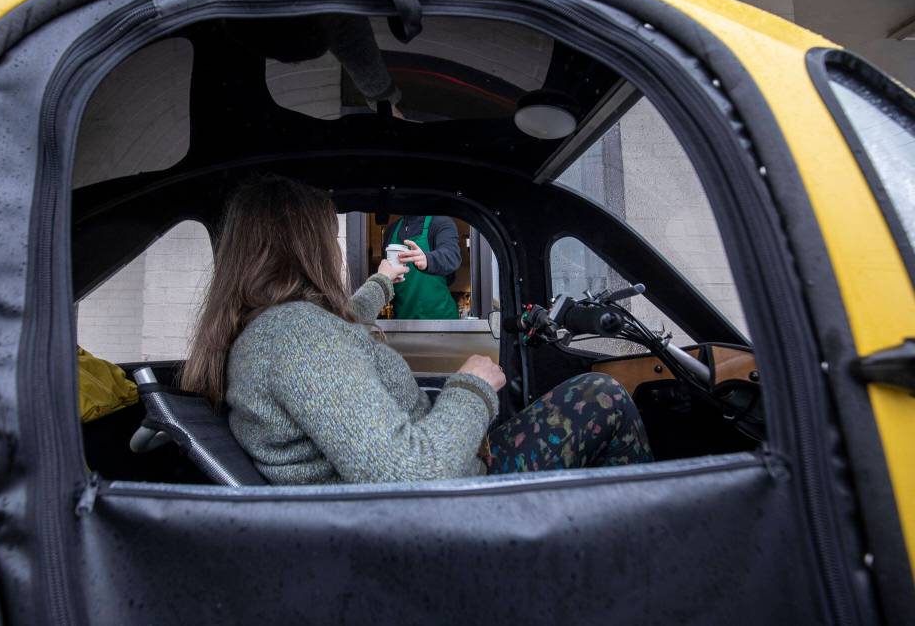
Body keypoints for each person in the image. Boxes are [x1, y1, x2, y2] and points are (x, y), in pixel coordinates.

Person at [181, 177, 652, 485]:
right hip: (448, 503)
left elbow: (345, 323)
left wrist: (384, 279)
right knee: (602, 395)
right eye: (328, 238)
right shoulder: (298, 338)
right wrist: (473, 387)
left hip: (433, 481)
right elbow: (411, 473)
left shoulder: (277, 328)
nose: (335, 250)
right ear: (306, 246)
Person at [382, 215, 462, 319]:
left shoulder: (441, 222)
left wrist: (427, 259)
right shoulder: (391, 230)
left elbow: (452, 256)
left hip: (441, 321)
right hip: (403, 320)